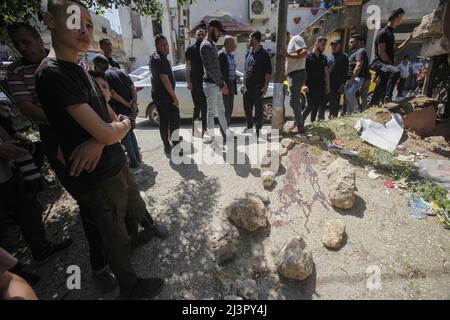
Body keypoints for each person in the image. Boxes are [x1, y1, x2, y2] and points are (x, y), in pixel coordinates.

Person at [36, 0, 167, 299]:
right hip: (97, 176)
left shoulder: (80, 68)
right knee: (114, 235)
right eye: (74, 20)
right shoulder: (53, 73)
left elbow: (107, 120)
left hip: (115, 162)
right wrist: (117, 130)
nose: (83, 29)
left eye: (89, 23)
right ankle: (129, 286)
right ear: (50, 20)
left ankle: (128, 250)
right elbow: (111, 127)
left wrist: (105, 136)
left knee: (134, 210)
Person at [6, 22, 118, 292]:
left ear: (39, 38)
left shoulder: (66, 61)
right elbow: (28, 109)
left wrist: (97, 126)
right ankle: (100, 265)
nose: (23, 47)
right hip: (58, 139)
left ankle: (122, 246)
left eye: (27, 41)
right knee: (87, 199)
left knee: (111, 192)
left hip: (88, 133)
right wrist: (72, 114)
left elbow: (96, 104)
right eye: (17, 43)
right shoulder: (17, 71)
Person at [93, 54, 142, 173]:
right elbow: (132, 87)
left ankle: (134, 162)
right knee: (130, 131)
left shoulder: (106, 76)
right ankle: (137, 156)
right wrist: (134, 102)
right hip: (130, 108)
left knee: (125, 136)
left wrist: (127, 104)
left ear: (98, 66)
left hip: (121, 109)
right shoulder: (122, 72)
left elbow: (113, 94)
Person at [200, 19, 232, 149]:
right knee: (212, 113)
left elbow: (217, 67)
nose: (219, 35)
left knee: (221, 111)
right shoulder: (206, 45)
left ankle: (227, 136)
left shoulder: (212, 44)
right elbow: (211, 69)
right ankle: (213, 142)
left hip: (216, 84)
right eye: (218, 32)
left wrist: (222, 83)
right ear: (212, 29)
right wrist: (222, 84)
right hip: (211, 85)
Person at [370, 8, 412, 105]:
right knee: (396, 71)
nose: (402, 20)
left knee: (379, 92)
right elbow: (382, 53)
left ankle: (373, 105)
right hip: (379, 63)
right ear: (397, 17)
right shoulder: (383, 33)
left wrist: (408, 41)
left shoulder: (391, 34)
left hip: (386, 65)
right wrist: (391, 66)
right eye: (401, 17)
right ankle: (388, 98)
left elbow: (394, 52)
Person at [150, 34, 182, 156]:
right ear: (157, 46)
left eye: (166, 44)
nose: (165, 47)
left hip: (159, 96)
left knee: (164, 121)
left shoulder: (155, 57)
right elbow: (164, 79)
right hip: (165, 97)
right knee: (174, 120)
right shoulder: (160, 59)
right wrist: (174, 97)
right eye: (162, 45)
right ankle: (174, 144)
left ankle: (167, 145)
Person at [242, 31, 272, 137]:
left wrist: (266, 87)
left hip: (258, 87)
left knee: (258, 110)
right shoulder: (249, 52)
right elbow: (246, 70)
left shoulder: (264, 54)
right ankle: (249, 127)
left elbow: (268, 72)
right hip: (247, 88)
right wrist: (243, 84)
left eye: (249, 38)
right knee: (247, 108)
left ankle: (258, 129)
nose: (248, 40)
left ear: (254, 38)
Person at [284, 30, 308, 133]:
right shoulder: (290, 43)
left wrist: (288, 56)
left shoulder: (295, 39)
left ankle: (300, 126)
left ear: (285, 34)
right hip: (294, 75)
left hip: (297, 74)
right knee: (294, 102)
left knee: (294, 102)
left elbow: (304, 53)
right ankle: (298, 124)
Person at [185, 29, 207, 137]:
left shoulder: (205, 49)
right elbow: (187, 67)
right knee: (197, 106)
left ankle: (204, 128)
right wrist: (189, 81)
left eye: (202, 35)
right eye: (198, 35)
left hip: (205, 82)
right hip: (194, 82)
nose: (200, 36)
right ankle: (194, 129)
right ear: (195, 36)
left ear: (205, 36)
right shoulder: (190, 49)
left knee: (205, 106)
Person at [304, 36, 330, 123]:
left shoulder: (324, 58)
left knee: (316, 106)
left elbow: (326, 72)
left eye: (325, 45)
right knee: (310, 105)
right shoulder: (308, 57)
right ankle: (299, 123)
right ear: (317, 43)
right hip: (309, 86)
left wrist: (327, 86)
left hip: (320, 86)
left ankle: (312, 123)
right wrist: (303, 85)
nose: (324, 47)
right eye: (323, 44)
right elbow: (303, 72)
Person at [345, 34, 369, 114]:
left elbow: (359, 66)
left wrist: (352, 80)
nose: (349, 44)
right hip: (351, 78)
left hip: (356, 78)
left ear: (358, 42)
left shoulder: (360, 51)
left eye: (352, 42)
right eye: (349, 42)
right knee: (348, 100)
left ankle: (357, 112)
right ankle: (350, 116)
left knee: (349, 93)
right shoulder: (354, 53)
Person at [326, 38, 348, 119]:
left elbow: (345, 72)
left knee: (334, 106)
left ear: (340, 45)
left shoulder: (344, 57)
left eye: (335, 45)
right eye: (332, 45)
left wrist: (342, 85)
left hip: (336, 86)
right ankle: (320, 120)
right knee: (322, 105)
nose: (333, 46)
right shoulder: (327, 56)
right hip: (326, 85)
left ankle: (332, 120)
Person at [219, 35, 238, 126]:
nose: (235, 45)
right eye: (234, 43)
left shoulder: (231, 56)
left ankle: (226, 128)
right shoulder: (221, 54)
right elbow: (218, 72)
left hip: (231, 85)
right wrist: (222, 85)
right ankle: (224, 131)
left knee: (230, 108)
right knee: (225, 109)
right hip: (225, 86)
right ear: (228, 44)